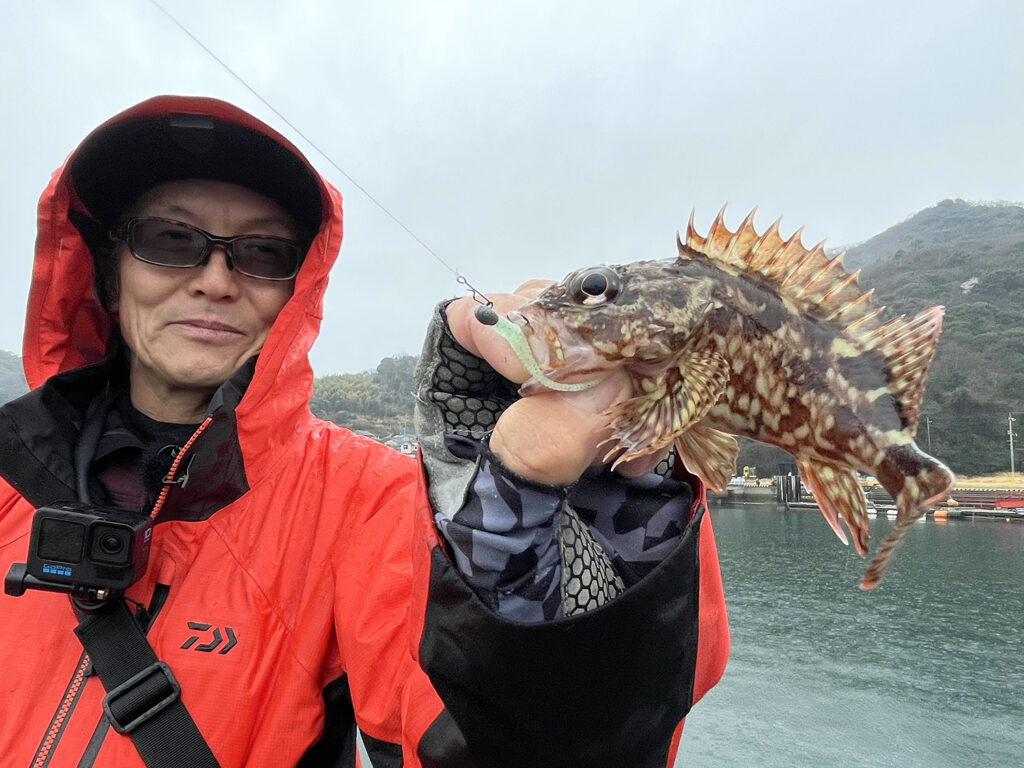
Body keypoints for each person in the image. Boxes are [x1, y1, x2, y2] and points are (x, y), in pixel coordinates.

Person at [0, 95, 729, 768]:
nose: (216, 280)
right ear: (107, 272)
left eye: (263, 252)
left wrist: (580, 518)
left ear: (299, 287)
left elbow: (494, 742)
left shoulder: (375, 500)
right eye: (170, 239)